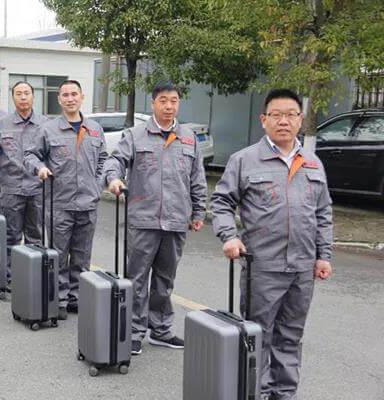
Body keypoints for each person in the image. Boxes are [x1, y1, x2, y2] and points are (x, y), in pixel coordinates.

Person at [210, 88, 333, 400]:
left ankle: (284, 393)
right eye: (276, 115)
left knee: (291, 336)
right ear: (263, 120)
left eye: (291, 115)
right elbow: (222, 203)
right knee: (257, 335)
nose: (284, 121)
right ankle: (256, 393)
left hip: (302, 269)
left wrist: (324, 256)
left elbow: (323, 212)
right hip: (262, 267)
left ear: (300, 120)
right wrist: (230, 236)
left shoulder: (313, 164)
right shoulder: (245, 160)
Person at [104, 81, 207, 355]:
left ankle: (160, 330)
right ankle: (135, 331)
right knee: (137, 279)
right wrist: (114, 178)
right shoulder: (136, 135)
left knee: (165, 279)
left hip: (175, 221)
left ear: (178, 103)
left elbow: (197, 178)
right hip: (143, 220)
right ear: (153, 104)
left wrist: (198, 211)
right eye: (163, 100)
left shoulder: (188, 138)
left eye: (173, 100)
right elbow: (115, 161)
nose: (169, 105)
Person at [24, 79, 107, 320]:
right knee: (59, 254)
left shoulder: (94, 128)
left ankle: (77, 297)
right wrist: (39, 168)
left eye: (74, 94)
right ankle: (58, 299)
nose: (70, 99)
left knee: (83, 255)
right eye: (65, 95)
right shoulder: (48, 129)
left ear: (82, 97)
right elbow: (29, 155)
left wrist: (97, 183)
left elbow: (103, 158)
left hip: (88, 203)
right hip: (59, 203)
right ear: (59, 100)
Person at [0, 81, 49, 283]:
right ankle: (11, 278)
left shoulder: (46, 124)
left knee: (35, 235)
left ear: (33, 96)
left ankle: (35, 276)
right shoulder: (3, 123)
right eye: (18, 93)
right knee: (11, 236)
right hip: (11, 187)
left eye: (27, 93)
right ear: (13, 98)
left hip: (38, 188)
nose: (23, 97)